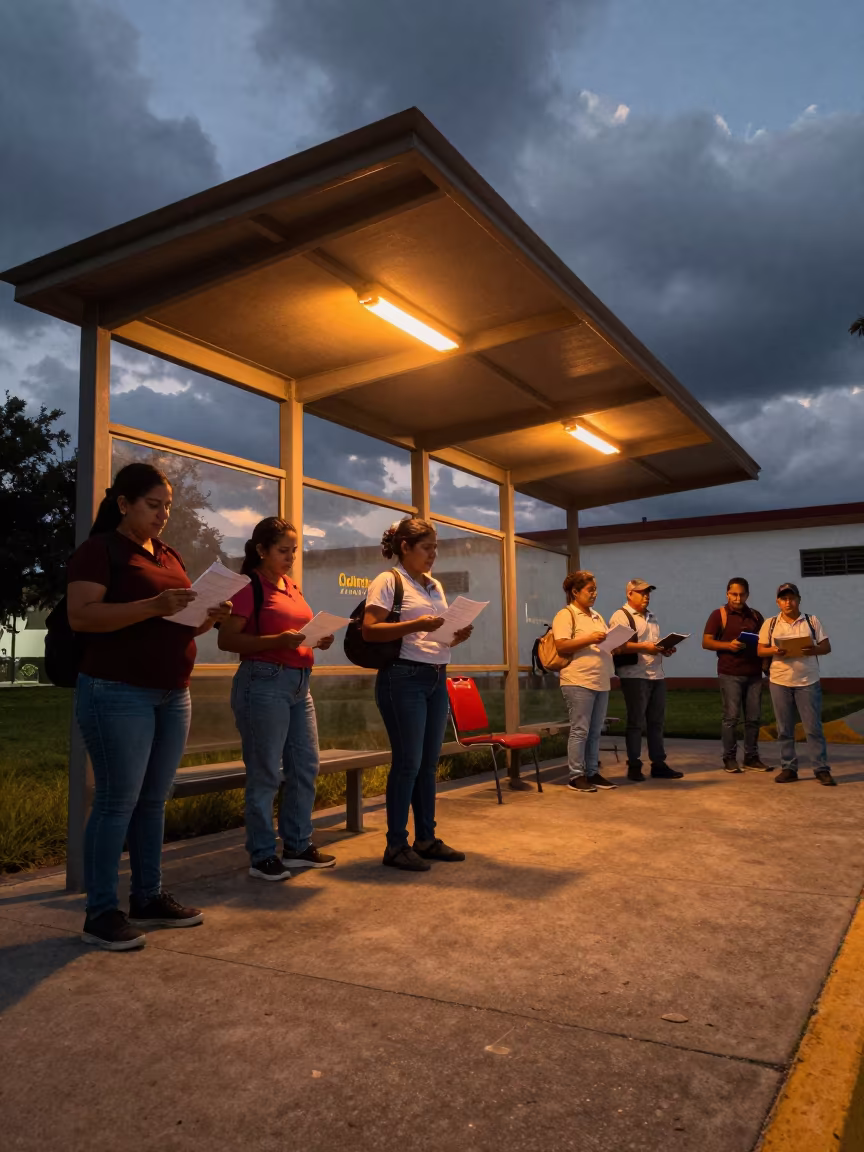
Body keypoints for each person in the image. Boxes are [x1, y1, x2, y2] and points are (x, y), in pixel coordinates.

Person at [67, 463, 232, 951]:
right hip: (117, 690)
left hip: (170, 691)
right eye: (153, 505)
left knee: (153, 801)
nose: (163, 514)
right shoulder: (99, 552)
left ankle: (148, 896)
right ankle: (100, 912)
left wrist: (207, 616)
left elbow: (176, 623)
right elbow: (83, 616)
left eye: (167, 506)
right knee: (118, 800)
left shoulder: (168, 554)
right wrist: (151, 606)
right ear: (124, 503)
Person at [217, 517, 337, 880]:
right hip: (263, 682)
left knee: (305, 765)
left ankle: (298, 844)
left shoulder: (290, 586)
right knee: (266, 770)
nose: (290, 557)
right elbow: (228, 641)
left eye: (294, 551)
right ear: (261, 550)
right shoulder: (248, 586)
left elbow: (296, 631)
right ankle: (262, 854)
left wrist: (318, 638)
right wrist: (277, 641)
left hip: (300, 681)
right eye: (283, 551)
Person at [362, 518, 473, 872]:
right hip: (403, 678)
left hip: (436, 676)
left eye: (435, 548)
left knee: (427, 764)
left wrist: (455, 635)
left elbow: (434, 631)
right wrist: (417, 625)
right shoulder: (388, 581)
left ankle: (426, 838)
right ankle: (396, 845)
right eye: (426, 548)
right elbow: (370, 630)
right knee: (408, 762)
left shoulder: (434, 586)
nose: (433, 555)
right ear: (405, 548)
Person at [757, 583, 835, 786]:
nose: (788, 602)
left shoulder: (811, 621)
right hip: (779, 681)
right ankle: (788, 768)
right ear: (778, 602)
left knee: (813, 728)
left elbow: (826, 647)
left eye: (791, 598)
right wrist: (775, 650)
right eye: (783, 598)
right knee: (784, 728)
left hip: (807, 680)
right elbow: (760, 650)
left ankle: (821, 768)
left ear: (799, 599)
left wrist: (812, 650)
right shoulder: (770, 623)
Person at [609, 579, 683, 782]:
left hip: (656, 674)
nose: (646, 596)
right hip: (634, 676)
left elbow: (652, 645)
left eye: (648, 592)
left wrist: (664, 649)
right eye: (641, 592)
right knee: (636, 722)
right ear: (629, 594)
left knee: (656, 722)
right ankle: (634, 765)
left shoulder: (652, 616)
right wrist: (646, 647)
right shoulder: (621, 616)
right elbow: (617, 645)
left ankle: (658, 763)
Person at [552, 570, 616, 794]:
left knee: (596, 730)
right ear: (575, 592)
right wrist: (590, 638)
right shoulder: (566, 615)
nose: (594, 594)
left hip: (601, 679)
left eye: (595, 590)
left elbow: (603, 643)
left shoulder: (597, 616)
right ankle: (576, 775)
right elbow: (561, 645)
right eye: (590, 590)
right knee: (580, 729)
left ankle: (592, 771)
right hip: (578, 679)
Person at [702, 577, 772, 773]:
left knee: (754, 718)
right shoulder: (719, 615)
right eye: (734, 594)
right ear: (727, 594)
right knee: (731, 718)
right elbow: (706, 642)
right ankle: (729, 758)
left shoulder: (756, 616)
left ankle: (751, 757)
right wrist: (728, 645)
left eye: (741, 594)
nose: (738, 598)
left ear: (747, 595)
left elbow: (764, 642)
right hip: (730, 673)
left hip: (754, 674)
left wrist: (766, 663)